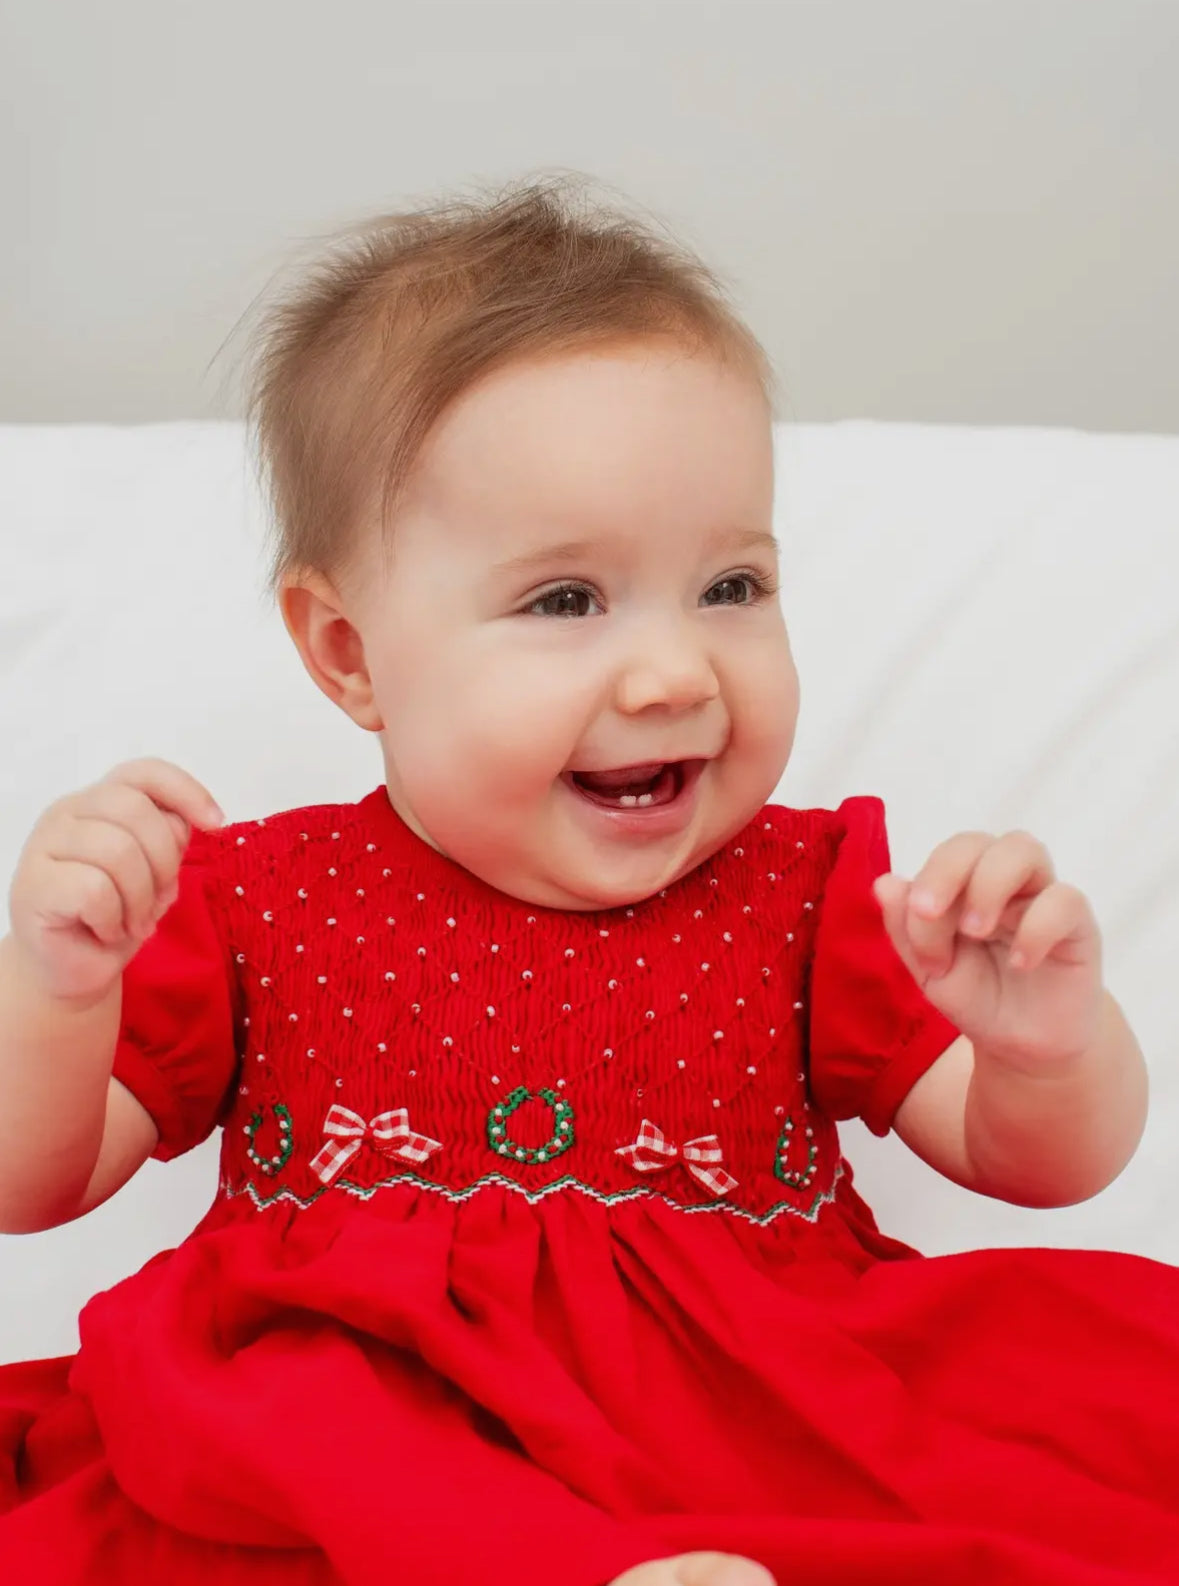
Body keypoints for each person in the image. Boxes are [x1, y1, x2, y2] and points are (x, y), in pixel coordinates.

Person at [0, 174, 1175, 1586]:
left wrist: (1045, 1042)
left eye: (732, 587)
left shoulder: (807, 894)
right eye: (566, 601)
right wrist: (58, 984)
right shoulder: (259, 898)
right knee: (258, 1387)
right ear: (350, 654)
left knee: (1082, 1394)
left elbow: (1038, 1165)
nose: (677, 671)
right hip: (380, 1456)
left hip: (740, 1426)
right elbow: (34, 1180)